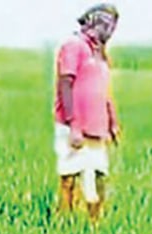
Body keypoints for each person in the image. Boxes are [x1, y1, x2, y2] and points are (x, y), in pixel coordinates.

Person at [53, 3, 121, 221]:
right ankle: (64, 221)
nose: (108, 30)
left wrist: (112, 122)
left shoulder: (100, 53)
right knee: (69, 175)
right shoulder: (74, 46)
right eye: (104, 24)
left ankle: (95, 224)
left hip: (97, 127)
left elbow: (104, 91)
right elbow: (66, 83)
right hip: (74, 126)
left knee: (100, 175)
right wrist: (73, 125)